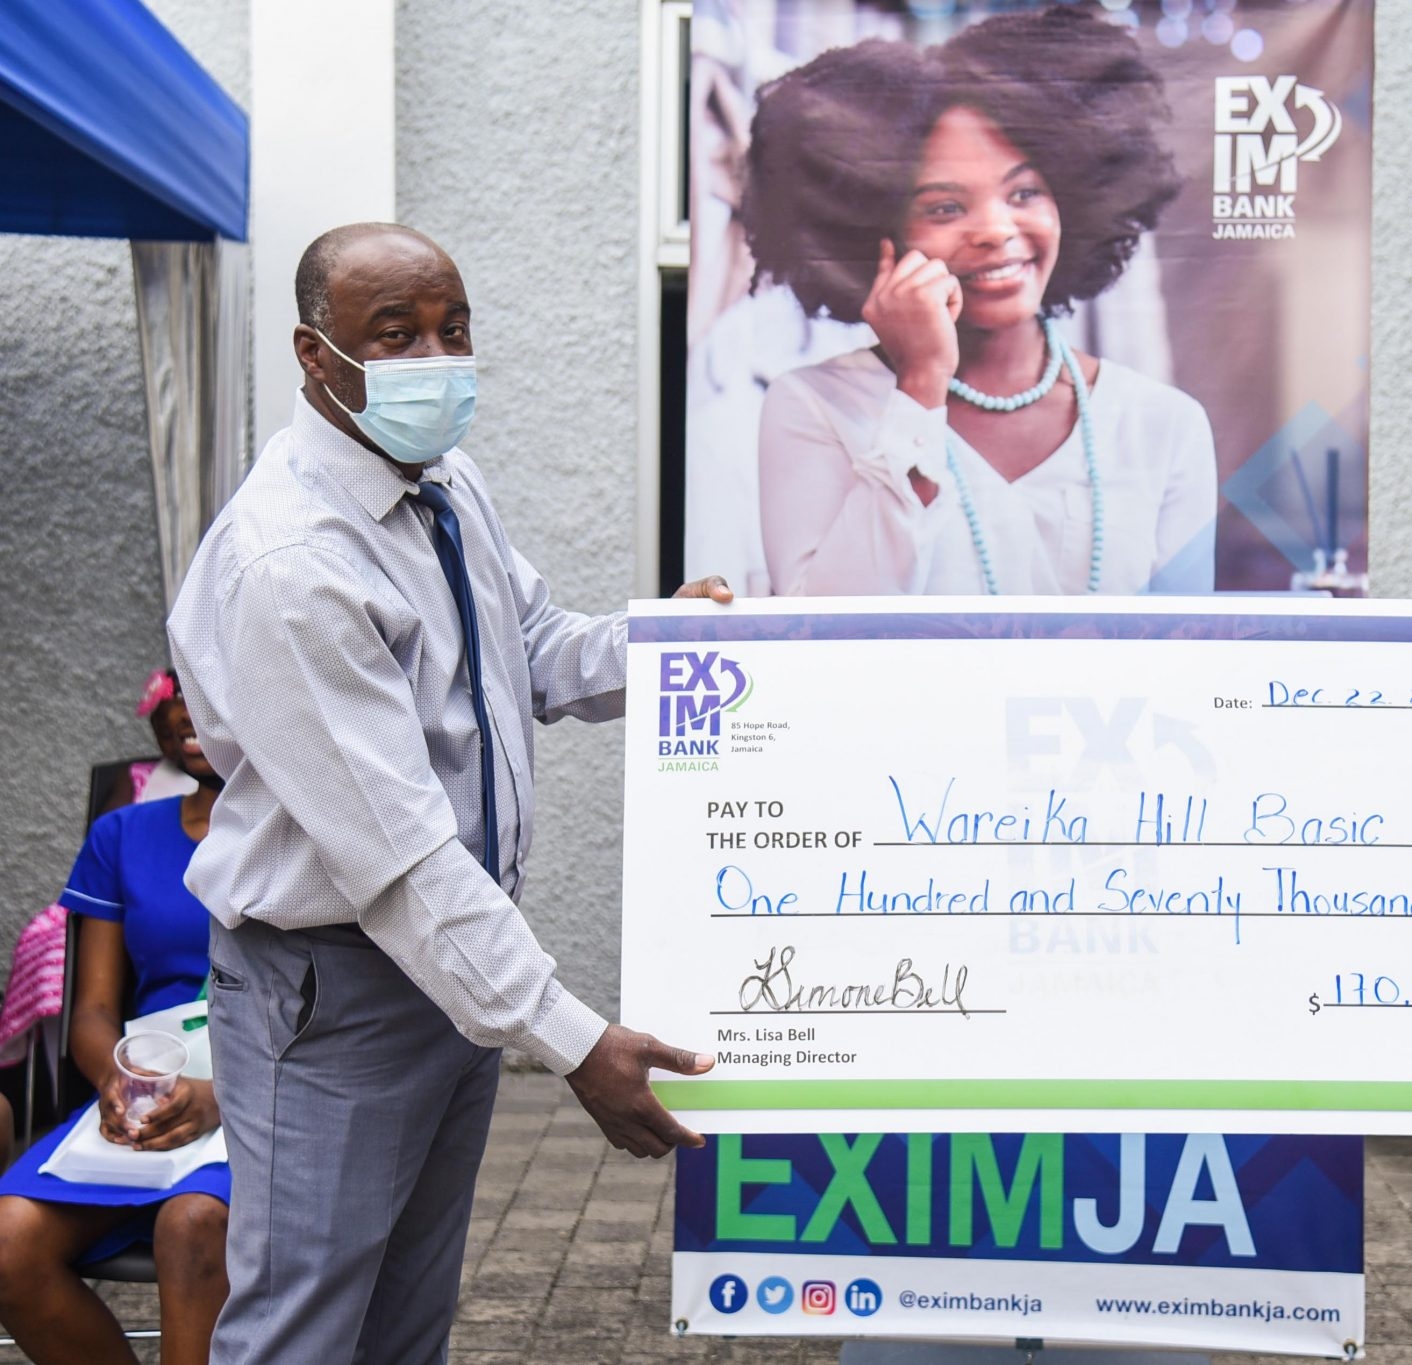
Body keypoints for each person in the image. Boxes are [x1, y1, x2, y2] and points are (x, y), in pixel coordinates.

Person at [167, 222, 729, 1363]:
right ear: (315, 356)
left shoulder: (443, 483)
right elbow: (405, 862)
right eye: (396, 334)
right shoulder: (296, 567)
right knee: (305, 1325)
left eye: (453, 327)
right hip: (335, 993)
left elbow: (535, 648)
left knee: (404, 1323)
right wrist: (575, 1043)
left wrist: (678, 641)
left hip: (448, 982)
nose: (437, 357)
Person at [747, 7, 1217, 596]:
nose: (996, 229)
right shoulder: (815, 407)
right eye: (944, 207)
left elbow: (1190, 660)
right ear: (875, 233)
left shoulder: (1163, 425)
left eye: (1024, 192)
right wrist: (919, 385)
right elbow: (819, 637)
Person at [0, 671, 229, 1365]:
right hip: (147, 1093)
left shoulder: (304, 832)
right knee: (9, 1240)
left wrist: (223, 1098)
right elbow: (92, 1010)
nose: (189, 709)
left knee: (192, 1223)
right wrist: (124, 1084)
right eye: (179, 690)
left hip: (263, 1095)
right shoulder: (122, 835)